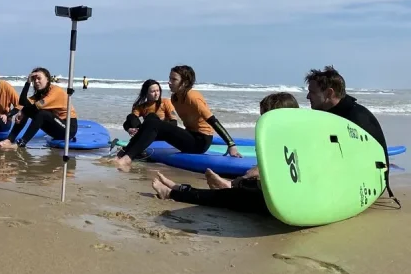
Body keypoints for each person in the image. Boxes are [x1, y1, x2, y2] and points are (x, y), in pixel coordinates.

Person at [151, 92, 300, 214]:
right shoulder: (296, 139)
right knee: (236, 190)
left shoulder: (278, 143)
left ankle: (172, 193)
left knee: (221, 197)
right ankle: (182, 188)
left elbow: (269, 179)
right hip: (284, 201)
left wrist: (241, 181)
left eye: (264, 117)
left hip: (277, 206)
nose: (261, 121)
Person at [115, 65, 241, 167]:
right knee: (151, 118)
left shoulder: (193, 97)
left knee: (153, 123)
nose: (169, 82)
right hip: (189, 136)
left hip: (200, 142)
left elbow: (213, 120)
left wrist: (231, 144)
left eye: (174, 79)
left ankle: (127, 158)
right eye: (169, 78)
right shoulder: (175, 98)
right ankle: (124, 153)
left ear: (185, 82)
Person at [305, 65, 397, 205]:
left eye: (311, 92)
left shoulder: (355, 119)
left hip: (367, 186)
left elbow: (364, 162)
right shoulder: (335, 114)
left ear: (329, 93)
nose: (307, 96)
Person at [0, 67, 78, 150]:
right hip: (56, 130)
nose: (36, 81)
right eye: (34, 79)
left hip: (68, 129)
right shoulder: (40, 94)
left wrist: (23, 112)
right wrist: (28, 82)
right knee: (27, 109)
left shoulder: (55, 91)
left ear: (47, 79)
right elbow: (22, 102)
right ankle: (9, 140)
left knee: (42, 113)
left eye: (39, 78)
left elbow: (36, 107)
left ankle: (21, 143)